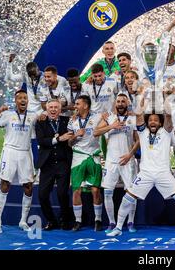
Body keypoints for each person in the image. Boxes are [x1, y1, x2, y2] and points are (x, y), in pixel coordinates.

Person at [107, 98, 175, 236]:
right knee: (127, 199)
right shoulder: (142, 132)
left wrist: (166, 100)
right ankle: (118, 228)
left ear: (160, 122)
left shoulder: (166, 132)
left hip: (163, 173)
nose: (152, 122)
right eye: (150, 120)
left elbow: (168, 117)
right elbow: (139, 116)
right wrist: (142, 101)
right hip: (145, 173)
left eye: (156, 120)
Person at [0, 90, 38, 233]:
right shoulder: (7, 115)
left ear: (28, 101)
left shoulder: (33, 116)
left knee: (28, 186)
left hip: (26, 153)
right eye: (20, 98)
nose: (23, 100)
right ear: (15, 101)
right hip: (10, 152)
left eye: (25, 98)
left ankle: (23, 221)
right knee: (5, 184)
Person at [93, 94, 140, 234]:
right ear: (115, 104)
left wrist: (130, 155)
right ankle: (112, 223)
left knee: (131, 192)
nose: (120, 104)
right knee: (107, 192)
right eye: (118, 101)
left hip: (128, 160)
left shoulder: (133, 119)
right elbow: (95, 132)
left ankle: (130, 222)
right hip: (111, 161)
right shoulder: (109, 118)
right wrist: (111, 126)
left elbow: (138, 140)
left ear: (127, 104)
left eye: (123, 102)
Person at [35, 99, 73, 230]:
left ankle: (65, 220)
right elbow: (42, 141)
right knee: (42, 195)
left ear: (60, 109)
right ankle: (51, 220)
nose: (53, 110)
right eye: (50, 107)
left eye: (56, 107)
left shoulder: (67, 121)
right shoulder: (40, 122)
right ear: (46, 109)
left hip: (63, 163)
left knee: (62, 194)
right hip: (47, 164)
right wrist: (58, 139)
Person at [67, 95, 104, 231]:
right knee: (76, 190)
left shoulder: (97, 117)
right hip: (78, 157)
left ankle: (98, 220)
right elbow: (69, 143)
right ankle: (78, 221)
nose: (75, 106)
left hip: (93, 156)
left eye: (77, 104)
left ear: (85, 105)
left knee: (95, 190)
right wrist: (76, 135)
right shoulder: (72, 121)